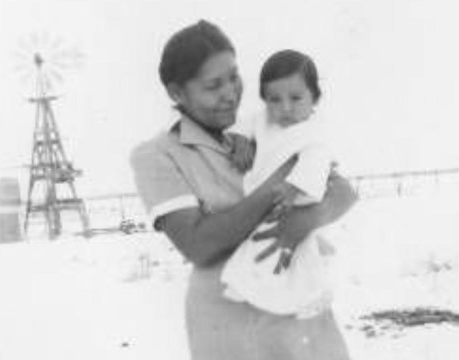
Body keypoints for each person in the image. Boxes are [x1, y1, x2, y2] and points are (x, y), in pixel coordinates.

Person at [130, 20, 357, 360]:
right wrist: (278, 183)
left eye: (234, 77)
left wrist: (305, 222)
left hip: (301, 301)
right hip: (232, 320)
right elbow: (198, 244)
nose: (230, 93)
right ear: (177, 93)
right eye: (213, 85)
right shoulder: (158, 155)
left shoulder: (270, 125)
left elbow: (342, 191)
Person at [221, 49, 339, 320]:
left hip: (295, 196)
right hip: (266, 196)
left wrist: (294, 188)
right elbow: (244, 124)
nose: (284, 107)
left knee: (299, 250)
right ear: (264, 100)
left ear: (315, 98)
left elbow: (316, 161)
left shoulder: (314, 131)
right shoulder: (262, 119)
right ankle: (247, 287)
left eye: (296, 98)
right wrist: (240, 141)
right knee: (261, 244)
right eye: (274, 99)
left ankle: (314, 295)